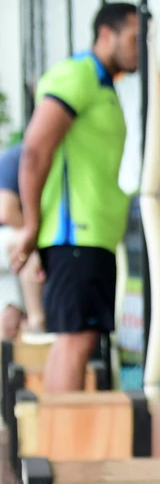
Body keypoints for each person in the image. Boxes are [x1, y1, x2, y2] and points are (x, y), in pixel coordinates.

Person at [12, 3, 140, 392]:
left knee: (77, 340)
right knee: (75, 339)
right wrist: (31, 227)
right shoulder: (77, 74)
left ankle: (52, 443)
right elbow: (34, 151)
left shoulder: (103, 85)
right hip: (75, 237)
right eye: (134, 39)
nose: (140, 50)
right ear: (106, 34)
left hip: (91, 238)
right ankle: (54, 449)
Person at [0, 143, 46, 338]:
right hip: (8, 238)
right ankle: (38, 322)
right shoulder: (18, 156)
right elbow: (7, 212)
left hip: (10, 260)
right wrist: (34, 237)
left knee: (9, 320)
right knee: (28, 251)